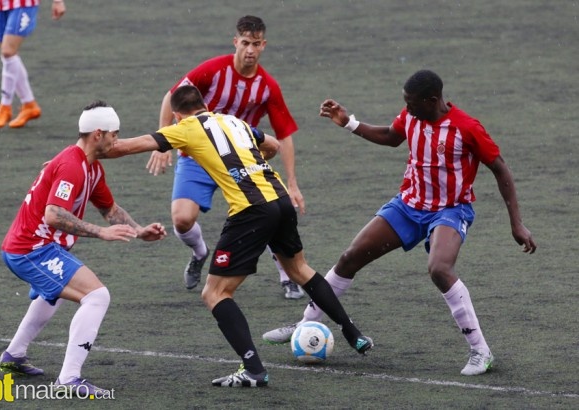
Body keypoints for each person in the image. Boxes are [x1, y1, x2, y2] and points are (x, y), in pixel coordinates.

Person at [262, 69, 537, 376]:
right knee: (350, 257)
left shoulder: (467, 128)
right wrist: (348, 122)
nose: (406, 108)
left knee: (439, 269)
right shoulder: (412, 117)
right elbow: (392, 137)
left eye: (411, 102)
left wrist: (517, 224)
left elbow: (500, 169)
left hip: (450, 210)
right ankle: (305, 325)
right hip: (408, 205)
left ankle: (480, 351)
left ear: (432, 100)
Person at [108, 85, 372, 387]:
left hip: (251, 210)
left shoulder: (184, 128)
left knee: (215, 293)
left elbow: (126, 147)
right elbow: (272, 145)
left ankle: (254, 370)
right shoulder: (234, 121)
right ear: (205, 104)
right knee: (299, 269)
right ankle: (353, 332)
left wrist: (88, 148)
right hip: (280, 198)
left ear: (178, 115)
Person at [0, 101, 167, 395]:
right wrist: (101, 233)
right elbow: (53, 214)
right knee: (97, 296)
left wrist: (139, 231)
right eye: (115, 134)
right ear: (98, 134)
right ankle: (69, 379)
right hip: (31, 250)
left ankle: (14, 354)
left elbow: (109, 209)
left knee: (60, 293)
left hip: (38, 247)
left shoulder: (90, 167)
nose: (118, 141)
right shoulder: (72, 167)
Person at [147, 15, 305, 298]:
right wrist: (164, 141)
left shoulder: (267, 86)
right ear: (236, 42)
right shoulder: (213, 70)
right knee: (181, 220)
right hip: (198, 157)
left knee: (266, 210)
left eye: (256, 44)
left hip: (243, 161)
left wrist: (292, 183)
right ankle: (199, 252)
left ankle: (287, 275)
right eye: (245, 43)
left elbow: (285, 136)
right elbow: (171, 96)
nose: (250, 50)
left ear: (263, 45)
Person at [0, 0, 66, 129]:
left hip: (23, 4)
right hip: (1, 4)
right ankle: (29, 104)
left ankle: (5, 105)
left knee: (8, 51)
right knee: (9, 55)